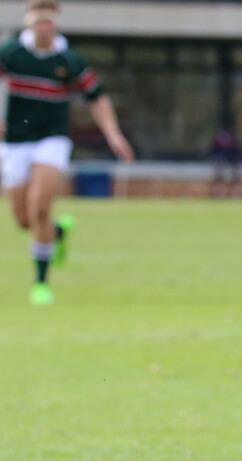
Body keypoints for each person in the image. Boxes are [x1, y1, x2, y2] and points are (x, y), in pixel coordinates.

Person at [1, 0, 134, 306]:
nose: (43, 27)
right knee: (25, 220)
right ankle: (57, 233)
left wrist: (113, 136)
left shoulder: (70, 59)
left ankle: (41, 284)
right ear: (29, 24)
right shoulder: (10, 53)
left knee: (40, 206)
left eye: (49, 21)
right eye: (38, 21)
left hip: (53, 139)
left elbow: (97, 99)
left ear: (56, 24)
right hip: (16, 142)